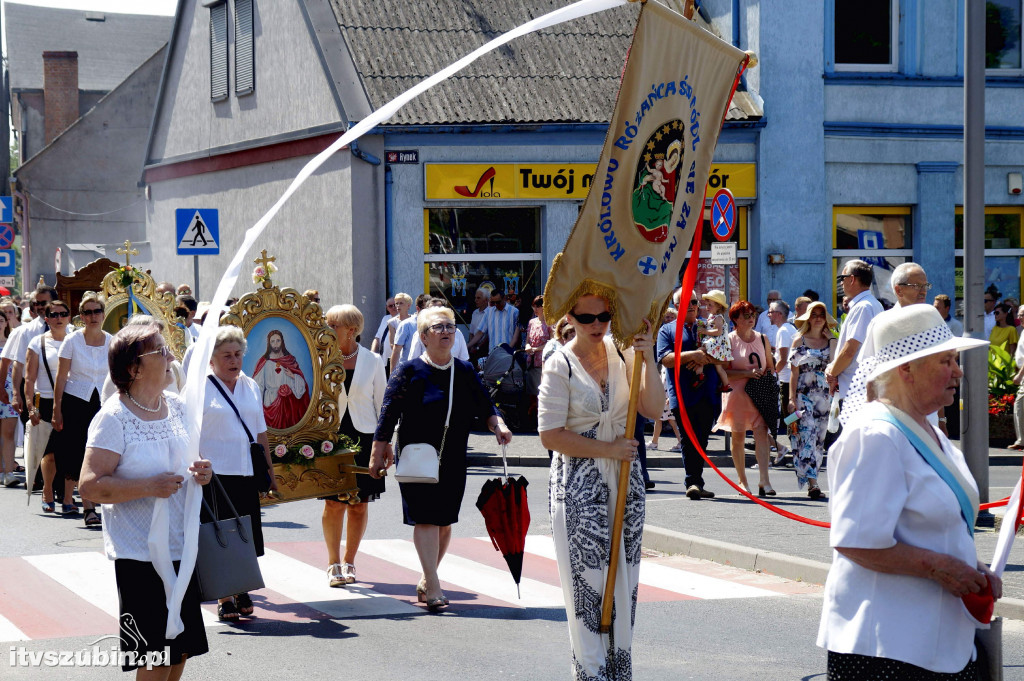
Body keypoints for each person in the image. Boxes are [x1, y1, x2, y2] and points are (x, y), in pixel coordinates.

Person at [817, 304, 1001, 678]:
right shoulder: (875, 434)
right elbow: (856, 541)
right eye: (946, 361)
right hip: (886, 649)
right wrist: (941, 567)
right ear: (906, 369)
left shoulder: (924, 429)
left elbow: (936, 525)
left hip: (935, 642)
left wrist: (973, 566)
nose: (958, 371)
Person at [538, 293, 664, 679]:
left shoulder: (625, 353)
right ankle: (591, 672)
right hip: (578, 485)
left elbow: (654, 409)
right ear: (570, 318)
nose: (597, 323)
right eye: (587, 317)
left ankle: (618, 671)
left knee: (624, 583)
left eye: (604, 316)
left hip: (626, 480)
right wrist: (607, 447)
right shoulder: (559, 362)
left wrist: (650, 358)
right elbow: (550, 435)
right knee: (587, 585)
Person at [80, 322, 213, 677]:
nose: (171, 356)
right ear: (134, 368)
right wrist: (149, 487)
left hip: (181, 549)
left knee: (180, 653)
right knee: (155, 659)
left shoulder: (178, 407)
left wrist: (202, 473)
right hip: (140, 555)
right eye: (161, 350)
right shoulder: (113, 417)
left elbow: (190, 464)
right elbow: (90, 487)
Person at [370, 306, 512, 611]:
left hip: (452, 457)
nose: (447, 331)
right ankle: (433, 584)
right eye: (438, 327)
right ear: (423, 337)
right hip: (417, 456)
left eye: (450, 326)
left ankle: (427, 575)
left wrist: (498, 425)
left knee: (445, 522)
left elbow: (486, 406)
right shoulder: (408, 371)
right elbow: (388, 414)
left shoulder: (464, 370)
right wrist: (378, 451)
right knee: (426, 518)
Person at [200, 325, 274, 621]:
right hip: (214, 474)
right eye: (226, 355)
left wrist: (270, 472)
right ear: (212, 359)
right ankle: (224, 596)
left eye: (238, 354)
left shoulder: (250, 386)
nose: (234, 360)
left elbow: (260, 434)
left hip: (245, 471)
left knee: (246, 533)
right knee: (220, 532)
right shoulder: (201, 387)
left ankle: (243, 587)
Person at [322, 305, 387, 588]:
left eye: (331, 325)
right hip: (331, 437)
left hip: (364, 437)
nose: (326, 330)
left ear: (350, 330)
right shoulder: (321, 359)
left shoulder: (372, 360)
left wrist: (386, 444)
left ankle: (350, 561)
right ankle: (332, 563)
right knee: (333, 503)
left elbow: (383, 404)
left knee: (359, 505)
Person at [53, 292, 112, 527]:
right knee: (79, 451)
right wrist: (56, 409)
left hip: (105, 402)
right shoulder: (72, 340)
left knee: (106, 450)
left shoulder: (112, 340)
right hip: (77, 401)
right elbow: (61, 376)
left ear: (103, 314)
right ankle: (88, 507)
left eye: (96, 311)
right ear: (81, 317)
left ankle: (107, 501)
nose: (92, 316)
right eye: (87, 312)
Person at [657, 292, 719, 500]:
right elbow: (665, 359)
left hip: (707, 391)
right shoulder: (667, 330)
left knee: (701, 439)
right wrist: (693, 356)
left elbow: (723, 355)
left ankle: (697, 481)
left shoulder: (708, 326)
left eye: (694, 302)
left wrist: (705, 360)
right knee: (687, 438)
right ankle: (692, 481)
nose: (691, 306)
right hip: (682, 394)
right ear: (676, 305)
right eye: (685, 303)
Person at [715, 300, 777, 496]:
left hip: (759, 393)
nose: (751, 318)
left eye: (753, 315)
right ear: (735, 319)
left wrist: (765, 373)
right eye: (746, 315)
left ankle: (764, 481)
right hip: (738, 394)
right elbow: (724, 372)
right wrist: (748, 373)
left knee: (761, 433)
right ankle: (742, 481)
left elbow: (770, 366)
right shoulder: (728, 340)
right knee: (739, 435)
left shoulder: (763, 338)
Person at [24, 300, 75, 511]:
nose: (59, 318)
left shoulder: (76, 340)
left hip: (72, 399)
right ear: (47, 319)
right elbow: (29, 378)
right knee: (51, 453)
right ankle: (47, 490)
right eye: (54, 315)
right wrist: (30, 406)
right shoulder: (38, 343)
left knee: (72, 451)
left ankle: (68, 499)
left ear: (69, 316)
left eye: (63, 314)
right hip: (45, 400)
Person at [787, 302, 837, 499]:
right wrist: (791, 399)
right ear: (808, 318)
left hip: (825, 397)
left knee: (819, 441)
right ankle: (813, 483)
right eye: (814, 314)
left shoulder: (832, 341)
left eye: (821, 315)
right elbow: (793, 373)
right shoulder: (799, 341)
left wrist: (832, 339)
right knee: (806, 437)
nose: (817, 318)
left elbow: (834, 367)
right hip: (804, 396)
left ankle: (812, 477)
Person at [825, 259, 883, 401]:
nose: (840, 283)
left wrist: (832, 373)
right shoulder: (873, 304)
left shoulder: (862, 307)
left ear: (851, 279)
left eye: (842, 278)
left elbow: (850, 350)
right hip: (862, 388)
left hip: (855, 390)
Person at [251, 329, 310, 429]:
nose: (275, 344)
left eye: (278, 340)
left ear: (282, 342)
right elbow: (258, 385)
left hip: (288, 404)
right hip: (270, 401)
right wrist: (257, 406)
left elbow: (302, 386)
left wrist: (293, 376)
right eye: (272, 341)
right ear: (269, 343)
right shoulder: (264, 362)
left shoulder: (290, 360)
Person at [769, 299, 797, 465]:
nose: (769, 315)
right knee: (791, 418)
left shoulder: (783, 331)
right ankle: (796, 450)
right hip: (788, 379)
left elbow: (783, 359)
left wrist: (772, 373)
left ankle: (796, 451)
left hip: (786, 381)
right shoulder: (788, 329)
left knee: (790, 417)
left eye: (771, 312)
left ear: (779, 315)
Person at [697, 290, 733, 390]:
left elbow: (718, 331)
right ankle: (726, 385)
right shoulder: (711, 316)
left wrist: (705, 331)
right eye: (706, 304)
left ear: (719, 307)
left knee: (700, 352)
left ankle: (699, 374)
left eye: (710, 305)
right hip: (716, 343)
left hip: (716, 342)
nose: (707, 307)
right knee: (719, 367)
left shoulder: (718, 318)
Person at [468, 289, 521, 355]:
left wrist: (508, 350)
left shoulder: (514, 312)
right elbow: (480, 333)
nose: (496, 304)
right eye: (493, 302)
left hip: (508, 354)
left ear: (504, 298)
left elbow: (516, 335)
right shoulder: (488, 312)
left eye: (498, 302)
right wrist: (468, 346)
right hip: (493, 354)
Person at [390, 293, 430, 374]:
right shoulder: (406, 324)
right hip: (409, 371)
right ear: (418, 309)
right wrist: (392, 375)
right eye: (427, 309)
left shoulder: (434, 325)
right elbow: (396, 350)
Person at [524, 295, 550, 394]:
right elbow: (527, 341)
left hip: (543, 363)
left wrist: (536, 349)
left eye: (538, 306)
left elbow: (552, 343)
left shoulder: (549, 323)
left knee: (541, 393)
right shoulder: (531, 322)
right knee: (531, 394)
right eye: (534, 306)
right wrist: (528, 346)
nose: (535, 309)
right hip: (531, 363)